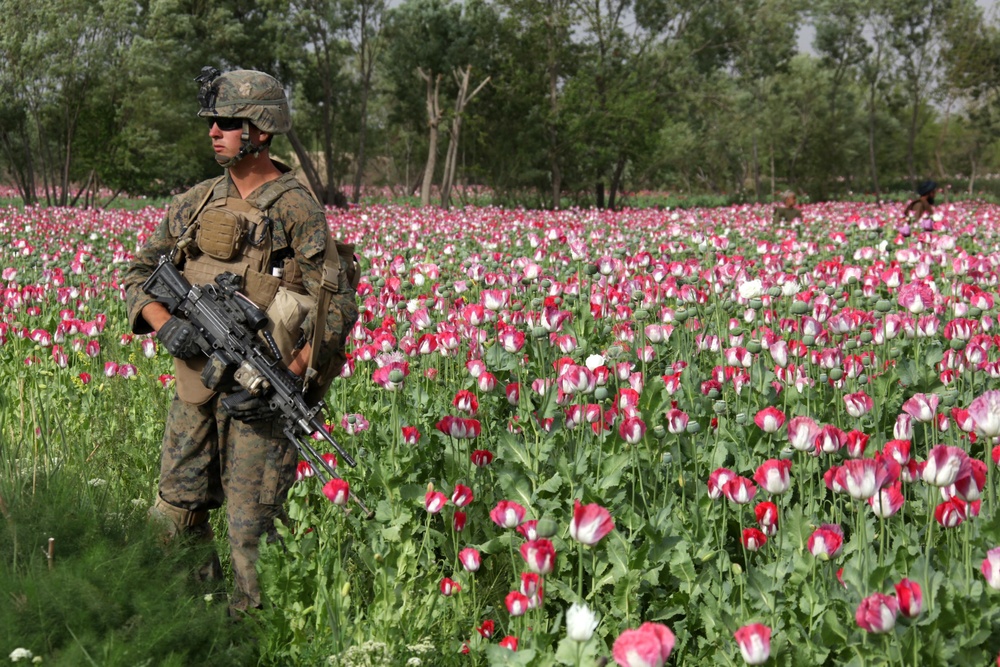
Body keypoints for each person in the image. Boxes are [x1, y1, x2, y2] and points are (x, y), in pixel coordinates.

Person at [122, 67, 358, 614]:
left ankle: (251, 641)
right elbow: (137, 274)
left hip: (259, 395)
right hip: (194, 388)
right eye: (212, 122)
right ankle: (193, 622)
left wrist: (295, 371)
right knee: (177, 513)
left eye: (227, 122)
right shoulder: (197, 202)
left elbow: (338, 302)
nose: (214, 132)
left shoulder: (296, 207)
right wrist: (166, 324)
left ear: (261, 130)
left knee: (251, 532)